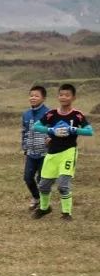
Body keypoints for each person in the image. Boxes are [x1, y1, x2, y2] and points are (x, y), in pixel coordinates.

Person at [32, 83, 93, 221]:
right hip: (52, 153)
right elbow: (36, 126)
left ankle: (67, 213)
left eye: (67, 95)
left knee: (63, 185)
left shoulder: (77, 115)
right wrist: (50, 130)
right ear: (58, 96)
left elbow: (90, 131)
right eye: (61, 95)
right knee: (43, 185)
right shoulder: (51, 114)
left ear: (73, 97)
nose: (63, 97)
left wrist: (75, 130)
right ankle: (44, 208)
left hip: (68, 152)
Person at [21, 85, 49, 210]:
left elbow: (53, 131)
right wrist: (25, 147)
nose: (33, 98)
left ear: (43, 98)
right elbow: (24, 131)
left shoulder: (49, 114)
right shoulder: (26, 114)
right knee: (27, 177)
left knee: (41, 179)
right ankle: (36, 197)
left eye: (36, 96)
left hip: (45, 153)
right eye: (31, 95)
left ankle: (43, 204)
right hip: (30, 152)